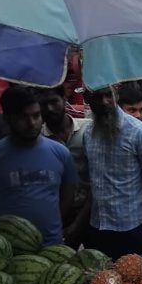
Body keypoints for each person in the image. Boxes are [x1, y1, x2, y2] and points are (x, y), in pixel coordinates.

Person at [0, 86, 77, 245]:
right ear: (7, 118)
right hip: (4, 249)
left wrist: (52, 222)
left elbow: (68, 195)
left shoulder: (61, 153)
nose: (32, 123)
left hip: (50, 246)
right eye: (23, 117)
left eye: (36, 115)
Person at [83, 86, 142, 259]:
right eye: (97, 97)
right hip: (98, 227)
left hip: (132, 229)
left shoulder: (140, 132)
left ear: (116, 95)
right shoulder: (88, 133)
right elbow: (94, 183)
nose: (104, 102)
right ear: (88, 99)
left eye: (108, 95)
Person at [40, 86, 91, 246]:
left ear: (64, 99)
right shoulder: (38, 139)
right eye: (43, 104)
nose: (49, 109)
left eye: (54, 102)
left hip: (91, 209)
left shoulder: (88, 130)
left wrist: (78, 223)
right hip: (58, 213)